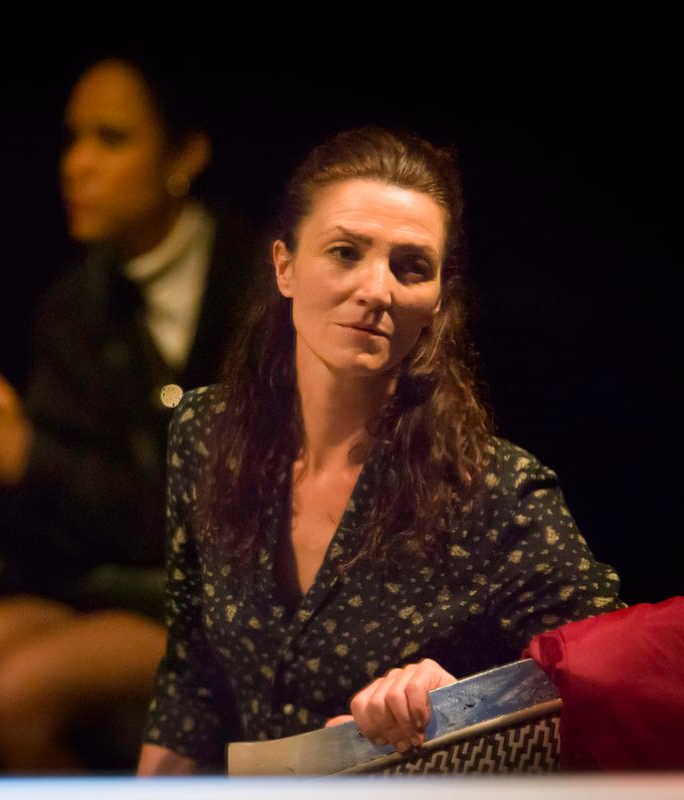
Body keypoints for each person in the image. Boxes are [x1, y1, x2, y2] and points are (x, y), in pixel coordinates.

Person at [137, 128, 623, 775]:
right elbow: (192, 681)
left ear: (437, 298)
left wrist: (460, 700)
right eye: (345, 252)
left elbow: (615, 675)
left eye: (411, 266)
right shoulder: (207, 432)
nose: (377, 289)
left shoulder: (495, 491)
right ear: (284, 266)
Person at [0, 55, 257, 772]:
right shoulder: (75, 307)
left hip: (229, 596)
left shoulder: (259, 286)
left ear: (184, 156)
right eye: (72, 139)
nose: (77, 164)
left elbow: (201, 512)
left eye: (111, 139)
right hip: (119, 584)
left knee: (20, 688)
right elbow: (73, 517)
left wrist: (31, 459)